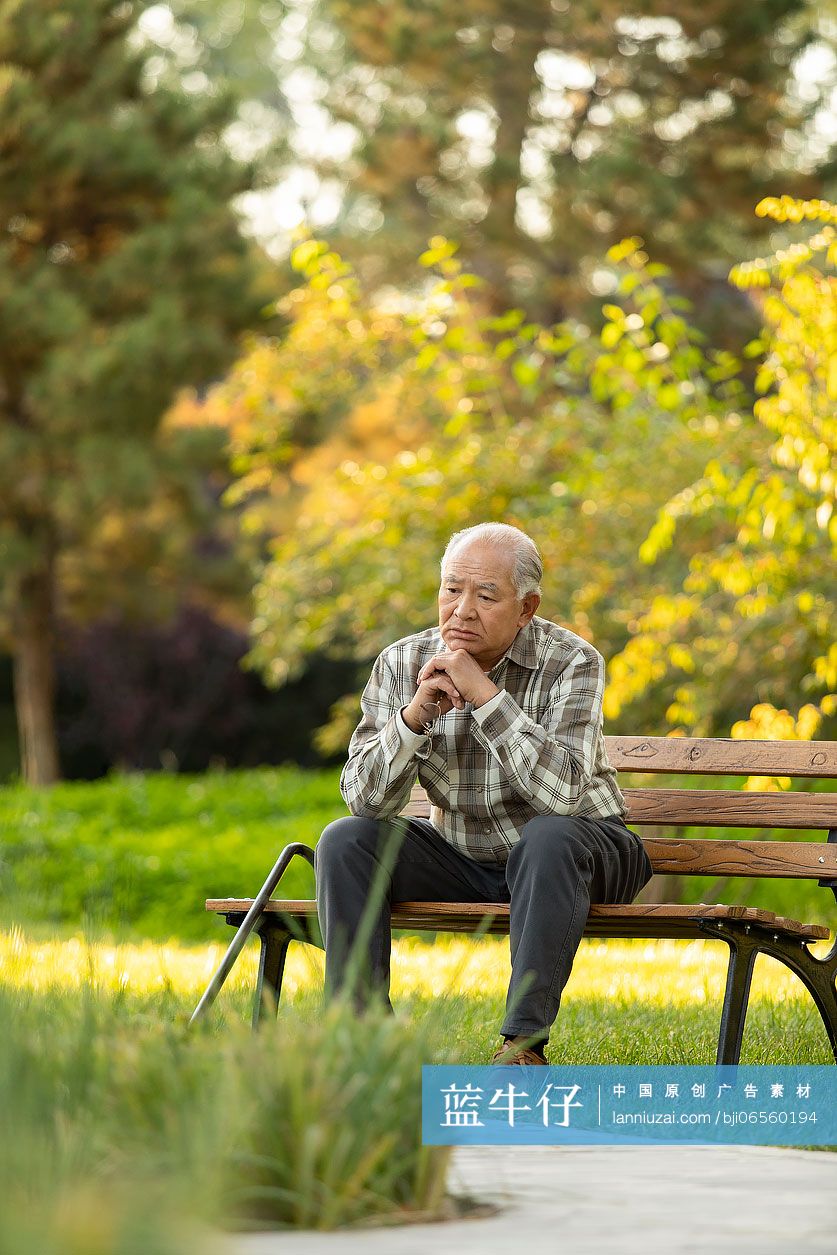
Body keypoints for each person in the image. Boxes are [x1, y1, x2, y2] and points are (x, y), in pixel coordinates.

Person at [314, 522, 653, 1064]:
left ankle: (523, 1045)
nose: (462, 609)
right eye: (452, 589)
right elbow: (367, 801)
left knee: (547, 838)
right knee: (347, 840)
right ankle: (359, 1041)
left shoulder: (573, 661)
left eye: (486, 595)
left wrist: (484, 695)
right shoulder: (402, 663)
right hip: (465, 855)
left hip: (584, 851)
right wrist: (414, 718)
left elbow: (563, 796)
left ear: (526, 608)